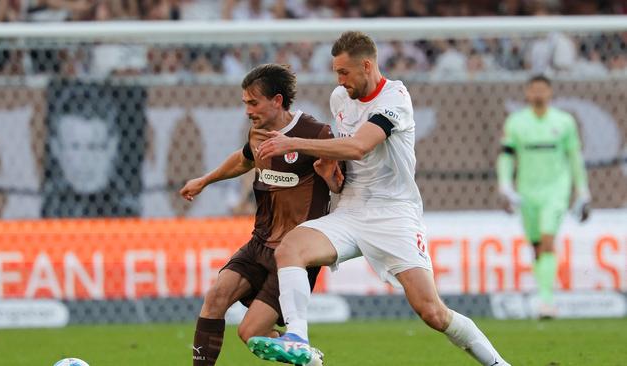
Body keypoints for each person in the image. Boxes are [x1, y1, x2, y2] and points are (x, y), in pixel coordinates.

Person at [247, 31, 511, 366]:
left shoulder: (395, 97)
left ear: (367, 66)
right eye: (336, 73)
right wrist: (333, 178)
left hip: (394, 214)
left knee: (431, 312)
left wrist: (294, 143)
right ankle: (298, 338)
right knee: (291, 248)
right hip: (351, 209)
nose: (339, 81)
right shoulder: (340, 99)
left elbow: (358, 146)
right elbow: (347, 161)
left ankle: (497, 363)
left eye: (344, 72)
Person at [179, 63, 343, 366]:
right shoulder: (257, 133)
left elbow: (340, 182)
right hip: (259, 242)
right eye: (245, 104)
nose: (248, 111)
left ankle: (308, 358)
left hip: (293, 255)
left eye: (253, 103)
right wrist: (204, 180)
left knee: (250, 332)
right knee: (216, 297)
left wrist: (331, 180)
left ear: (277, 101)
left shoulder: (315, 134)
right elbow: (243, 161)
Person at [496, 75, 591, 319]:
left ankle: (546, 301)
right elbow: (506, 155)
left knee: (548, 240)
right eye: (534, 89)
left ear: (550, 93)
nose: (538, 93)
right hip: (527, 190)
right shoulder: (516, 122)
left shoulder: (564, 121)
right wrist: (505, 185)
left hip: (556, 189)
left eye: (542, 89)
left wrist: (582, 190)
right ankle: (544, 294)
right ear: (527, 93)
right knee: (537, 245)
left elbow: (574, 157)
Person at [42, 82, 144, 217]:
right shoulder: (45, 207)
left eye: (94, 147)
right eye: (75, 147)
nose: (84, 160)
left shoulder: (131, 212)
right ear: (56, 148)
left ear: (112, 147)